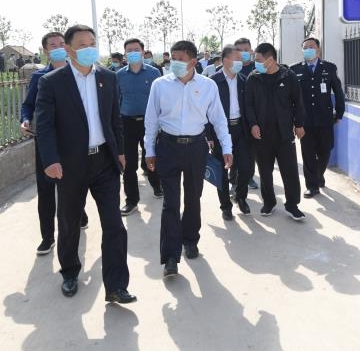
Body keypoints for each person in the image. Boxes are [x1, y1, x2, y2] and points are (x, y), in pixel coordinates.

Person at [35, 24, 135, 304]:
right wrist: (50, 160)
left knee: (114, 224)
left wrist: (120, 151)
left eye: (92, 42)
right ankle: (69, 272)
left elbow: (115, 119)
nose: (89, 48)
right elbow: (45, 127)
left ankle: (116, 285)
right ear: (68, 49)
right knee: (69, 222)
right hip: (70, 164)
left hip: (104, 161)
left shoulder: (108, 77)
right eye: (82, 44)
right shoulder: (52, 82)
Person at [144, 40, 232, 278]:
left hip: (196, 148)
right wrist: (149, 150)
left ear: (193, 62)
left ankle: (190, 239)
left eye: (180, 59)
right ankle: (170, 256)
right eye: (173, 58)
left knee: (193, 198)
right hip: (168, 147)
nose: (174, 63)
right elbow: (151, 119)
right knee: (170, 202)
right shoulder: (160, 85)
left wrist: (227, 147)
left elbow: (218, 119)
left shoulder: (208, 86)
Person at [21, 31, 89, 256]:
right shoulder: (39, 77)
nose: (58, 48)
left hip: (73, 142)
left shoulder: (79, 73)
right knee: (46, 189)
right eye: (53, 45)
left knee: (74, 185)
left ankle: (79, 213)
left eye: (61, 44)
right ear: (45, 51)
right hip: (46, 142)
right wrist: (25, 119)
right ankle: (48, 236)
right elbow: (28, 105)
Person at [244, 42, 306, 221]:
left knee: (290, 171)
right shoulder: (253, 78)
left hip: (284, 133)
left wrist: (299, 124)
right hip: (261, 135)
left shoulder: (288, 76)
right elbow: (248, 104)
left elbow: (298, 102)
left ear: (270, 60)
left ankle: (292, 205)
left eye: (258, 60)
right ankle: (269, 202)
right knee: (265, 171)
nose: (255, 63)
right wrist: (253, 124)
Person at [290, 37, 346, 198]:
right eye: (305, 47)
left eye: (311, 46)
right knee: (308, 153)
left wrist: (339, 112)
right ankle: (312, 186)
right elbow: (291, 97)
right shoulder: (295, 69)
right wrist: (293, 119)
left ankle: (319, 175)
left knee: (325, 150)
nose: (308, 49)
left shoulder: (329, 68)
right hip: (305, 120)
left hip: (325, 119)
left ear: (318, 49)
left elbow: (338, 91)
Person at [116, 37, 162, 216]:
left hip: (149, 123)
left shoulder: (153, 73)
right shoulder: (119, 75)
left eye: (136, 49)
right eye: (129, 50)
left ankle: (157, 186)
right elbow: (115, 100)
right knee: (128, 165)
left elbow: (160, 99)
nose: (133, 53)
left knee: (152, 157)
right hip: (126, 123)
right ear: (125, 54)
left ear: (143, 51)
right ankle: (132, 200)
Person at [207, 45, 253, 220]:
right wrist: (209, 135)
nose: (240, 62)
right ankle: (225, 206)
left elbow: (249, 106)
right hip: (220, 130)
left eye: (241, 59)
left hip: (241, 129)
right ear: (225, 60)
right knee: (221, 170)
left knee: (246, 167)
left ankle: (240, 197)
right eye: (236, 59)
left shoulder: (244, 80)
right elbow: (206, 110)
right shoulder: (213, 82)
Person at [232, 37, 259, 190]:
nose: (243, 53)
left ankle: (249, 177)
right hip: (234, 118)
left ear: (251, 51)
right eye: (239, 50)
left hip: (253, 118)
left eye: (246, 50)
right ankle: (234, 180)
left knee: (250, 151)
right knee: (234, 151)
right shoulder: (230, 68)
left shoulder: (258, 68)